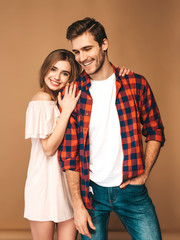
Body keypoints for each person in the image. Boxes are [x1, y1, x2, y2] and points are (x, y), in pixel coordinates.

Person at [58, 18, 165, 240]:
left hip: (132, 192)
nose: (82, 58)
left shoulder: (135, 83)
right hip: (92, 195)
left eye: (87, 48)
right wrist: (78, 206)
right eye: (76, 51)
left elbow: (155, 130)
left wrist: (144, 172)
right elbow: (69, 155)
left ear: (104, 44)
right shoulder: (73, 93)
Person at [24, 48, 131, 240]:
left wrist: (120, 73)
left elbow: (98, 76)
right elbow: (48, 149)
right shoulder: (41, 100)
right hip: (44, 185)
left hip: (69, 185)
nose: (57, 77)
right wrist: (66, 111)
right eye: (53, 69)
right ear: (45, 70)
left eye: (64, 73)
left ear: (70, 78)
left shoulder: (68, 97)